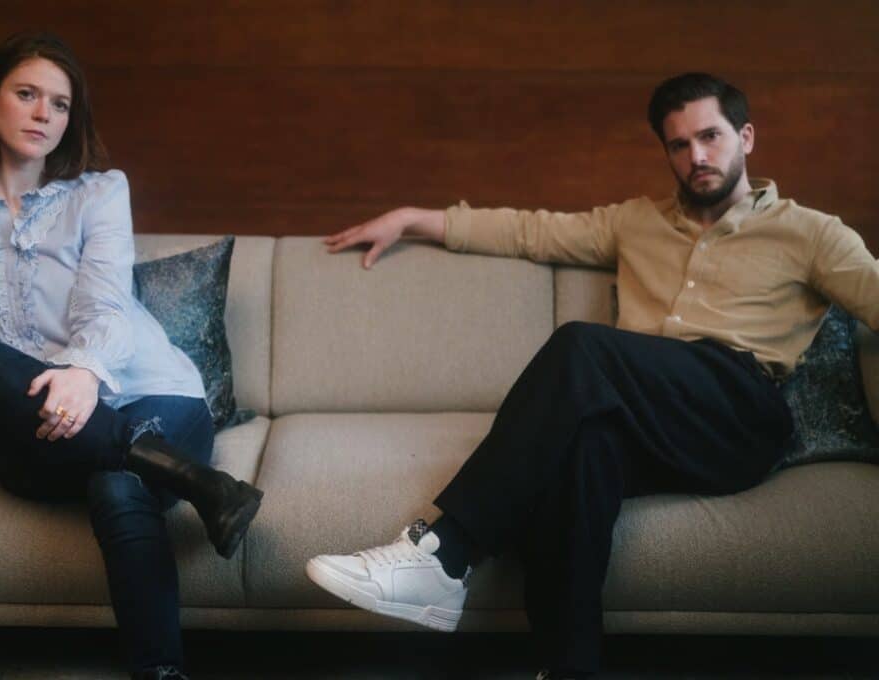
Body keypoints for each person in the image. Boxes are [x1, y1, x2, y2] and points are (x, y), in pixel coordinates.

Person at [305, 72, 879, 678]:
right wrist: (413, 218)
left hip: (738, 412)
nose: (697, 156)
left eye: (710, 136)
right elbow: (530, 230)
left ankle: (446, 557)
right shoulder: (636, 222)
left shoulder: (814, 232)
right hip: (647, 417)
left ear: (746, 136)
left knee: (583, 348)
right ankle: (568, 666)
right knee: (584, 449)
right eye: (679, 145)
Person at [0, 32, 263, 680]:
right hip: (31, 421)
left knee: (118, 485)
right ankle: (203, 484)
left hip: (152, 392)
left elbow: (105, 305)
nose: (44, 114)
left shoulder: (100, 192)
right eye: (28, 94)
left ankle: (160, 674)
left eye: (61, 105)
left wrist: (84, 372)